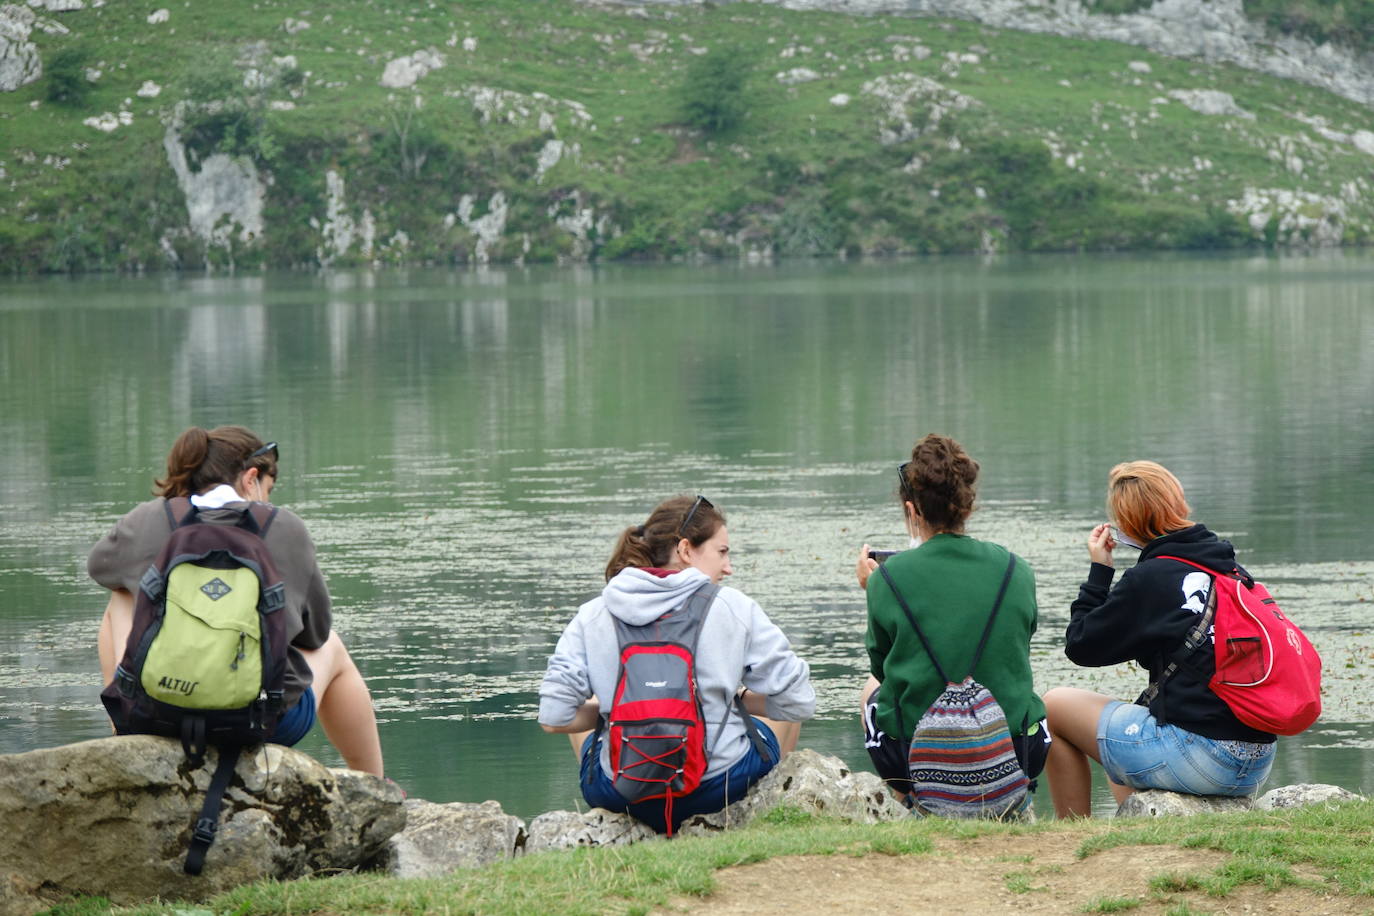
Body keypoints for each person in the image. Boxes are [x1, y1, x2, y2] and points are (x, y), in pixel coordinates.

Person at [88, 425, 384, 778]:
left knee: (121, 594)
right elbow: (314, 634)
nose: (269, 502)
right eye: (268, 491)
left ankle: (125, 735)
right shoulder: (285, 527)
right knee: (333, 647)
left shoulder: (149, 517)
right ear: (251, 478)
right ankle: (376, 784)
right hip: (261, 723)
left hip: (157, 717)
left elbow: (98, 567)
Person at [539, 494, 815, 833]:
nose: (728, 568)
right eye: (722, 552)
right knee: (781, 714)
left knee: (587, 711)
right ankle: (762, 814)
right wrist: (737, 700)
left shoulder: (595, 612)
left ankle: (625, 822)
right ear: (685, 550)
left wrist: (621, 709)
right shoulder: (732, 606)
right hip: (719, 787)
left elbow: (554, 718)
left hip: (622, 794)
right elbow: (799, 701)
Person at [1043, 460, 1275, 818]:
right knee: (1134, 721)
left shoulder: (1151, 579)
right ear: (1179, 503)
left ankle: (1072, 831)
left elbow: (1081, 644)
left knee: (1054, 705)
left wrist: (1101, 570)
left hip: (1204, 759)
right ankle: (1142, 829)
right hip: (1257, 760)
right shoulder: (1229, 569)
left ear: (1128, 524)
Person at [856, 434, 1049, 806]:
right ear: (968, 507)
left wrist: (873, 588)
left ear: (912, 511)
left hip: (919, 757)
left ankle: (910, 801)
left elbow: (882, 669)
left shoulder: (887, 578)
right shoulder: (1016, 569)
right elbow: (1017, 649)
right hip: (1015, 750)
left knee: (870, 692)